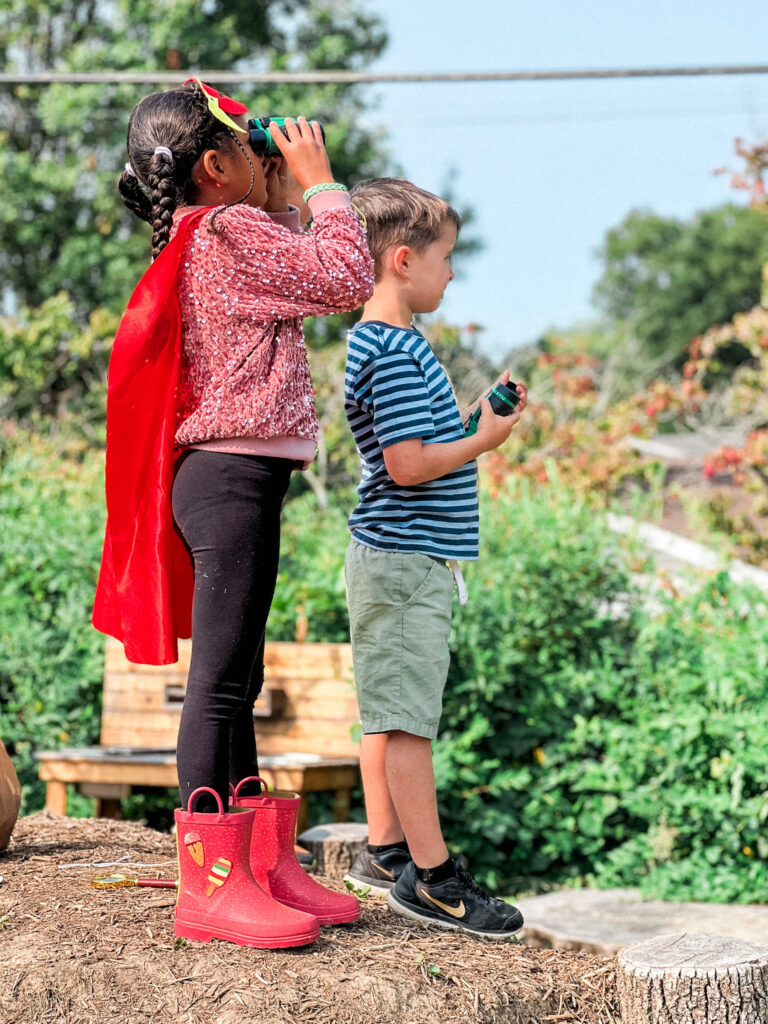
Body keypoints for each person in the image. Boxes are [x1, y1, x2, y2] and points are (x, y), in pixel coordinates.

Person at [93, 79, 373, 948]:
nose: (271, 156)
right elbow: (345, 275)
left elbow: (293, 263)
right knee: (219, 684)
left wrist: (281, 195)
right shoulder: (227, 229)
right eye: (254, 148)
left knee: (237, 681)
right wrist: (323, 184)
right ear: (215, 167)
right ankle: (210, 886)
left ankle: (259, 864)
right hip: (232, 476)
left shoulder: (207, 230)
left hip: (230, 477)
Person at [342, 177, 527, 940]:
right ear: (403, 261)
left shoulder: (393, 345)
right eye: (447, 258)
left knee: (388, 713)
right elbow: (410, 466)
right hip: (403, 560)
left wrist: (471, 418)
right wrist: (483, 441)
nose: (452, 273)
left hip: (400, 560)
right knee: (409, 722)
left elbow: (417, 446)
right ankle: (435, 881)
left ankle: (385, 854)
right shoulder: (388, 348)